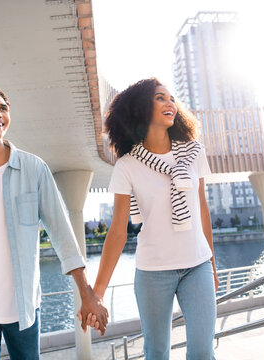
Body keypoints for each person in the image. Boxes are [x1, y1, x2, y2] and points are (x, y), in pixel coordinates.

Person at [0, 86, 108, 360]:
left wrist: (86, 293)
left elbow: (62, 232)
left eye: (3, 108)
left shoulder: (34, 169)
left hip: (23, 305)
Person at [86, 78, 219, 359]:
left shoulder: (194, 152)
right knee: (156, 352)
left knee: (203, 351)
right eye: (160, 98)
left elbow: (202, 210)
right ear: (140, 108)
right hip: (153, 272)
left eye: (171, 98)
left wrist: (212, 264)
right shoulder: (127, 166)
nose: (169, 103)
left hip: (198, 266)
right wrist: (97, 292)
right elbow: (118, 232)